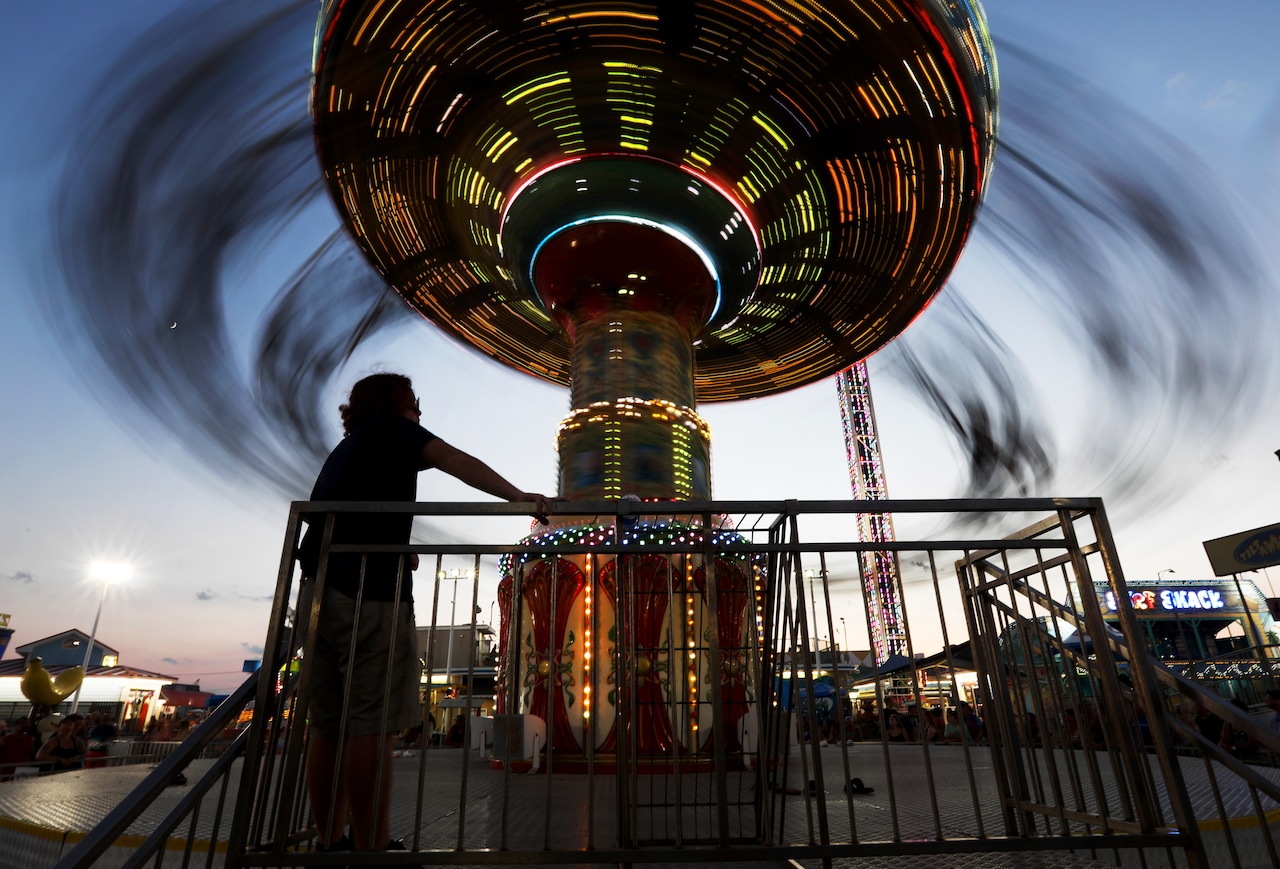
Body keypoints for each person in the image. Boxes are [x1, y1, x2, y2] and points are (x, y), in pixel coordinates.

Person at [300, 373, 552, 855]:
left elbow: (343, 518)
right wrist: (521, 498)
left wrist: (401, 549)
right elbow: (454, 460)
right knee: (370, 722)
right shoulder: (394, 431)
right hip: (368, 592)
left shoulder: (348, 449)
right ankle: (372, 849)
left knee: (328, 724)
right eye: (416, 406)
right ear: (399, 404)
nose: (420, 416)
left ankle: (329, 842)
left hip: (319, 587)